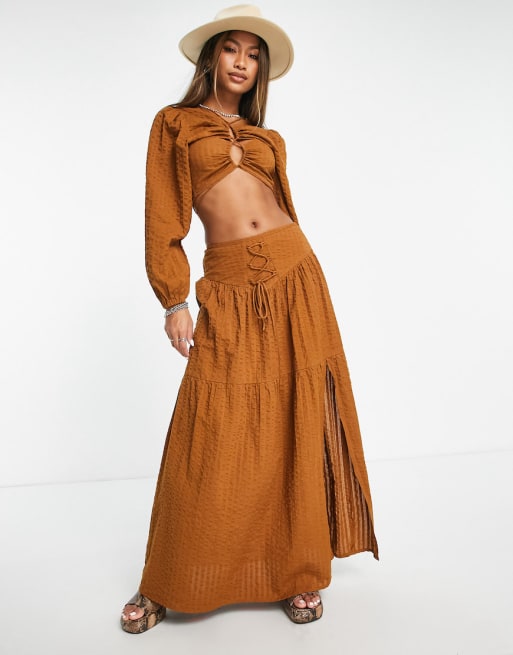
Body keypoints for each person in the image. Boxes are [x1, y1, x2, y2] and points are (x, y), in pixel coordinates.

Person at [121, 4, 378, 633]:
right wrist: (175, 300)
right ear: (213, 57)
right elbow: (163, 217)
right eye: (232, 49)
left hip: (295, 272)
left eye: (254, 54)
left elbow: (281, 207)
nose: (242, 62)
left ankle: (297, 570)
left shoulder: (269, 139)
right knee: (211, 422)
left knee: (296, 415)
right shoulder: (174, 124)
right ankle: (165, 580)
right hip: (230, 284)